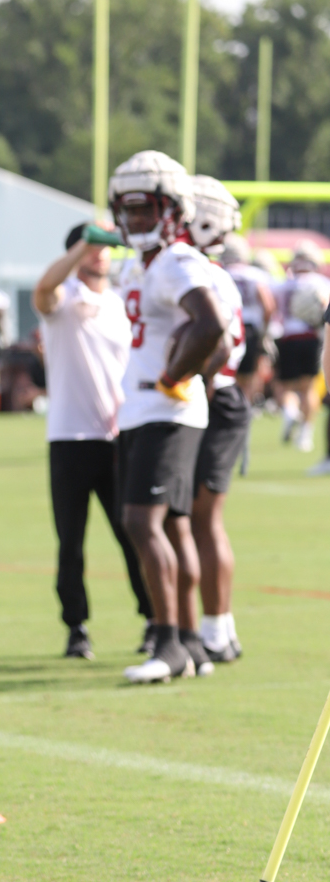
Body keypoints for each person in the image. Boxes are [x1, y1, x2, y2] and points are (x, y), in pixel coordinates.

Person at [109, 152, 226, 685]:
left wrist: (174, 376)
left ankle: (166, 638)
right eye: (128, 211)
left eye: (145, 209)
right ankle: (190, 643)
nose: (135, 221)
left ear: (171, 209)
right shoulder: (144, 263)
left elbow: (211, 328)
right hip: (143, 411)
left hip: (167, 411)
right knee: (174, 527)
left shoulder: (179, 260)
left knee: (141, 522)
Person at [33, 222, 153, 660]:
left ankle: (154, 619)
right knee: (71, 541)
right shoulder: (64, 300)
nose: (101, 254)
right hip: (69, 437)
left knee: (134, 534)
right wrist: (86, 242)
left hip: (119, 436)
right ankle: (76, 627)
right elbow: (44, 288)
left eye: (105, 247)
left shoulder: (120, 303)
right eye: (91, 247)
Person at [187, 178, 249, 663]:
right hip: (217, 398)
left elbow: (221, 349)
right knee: (201, 521)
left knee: (201, 520)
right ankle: (219, 628)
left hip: (212, 397)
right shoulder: (205, 271)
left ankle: (212, 628)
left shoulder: (201, 274)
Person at [272, 241, 327, 453]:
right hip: (311, 338)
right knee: (309, 388)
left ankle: (290, 412)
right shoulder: (320, 283)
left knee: (285, 386)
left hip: (286, 338)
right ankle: (305, 433)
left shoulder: (282, 284)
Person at [221, 233, 275, 407]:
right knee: (249, 376)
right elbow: (268, 306)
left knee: (226, 374)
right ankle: (244, 409)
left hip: (224, 327)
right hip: (249, 328)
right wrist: (264, 330)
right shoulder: (254, 275)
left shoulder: (218, 272)